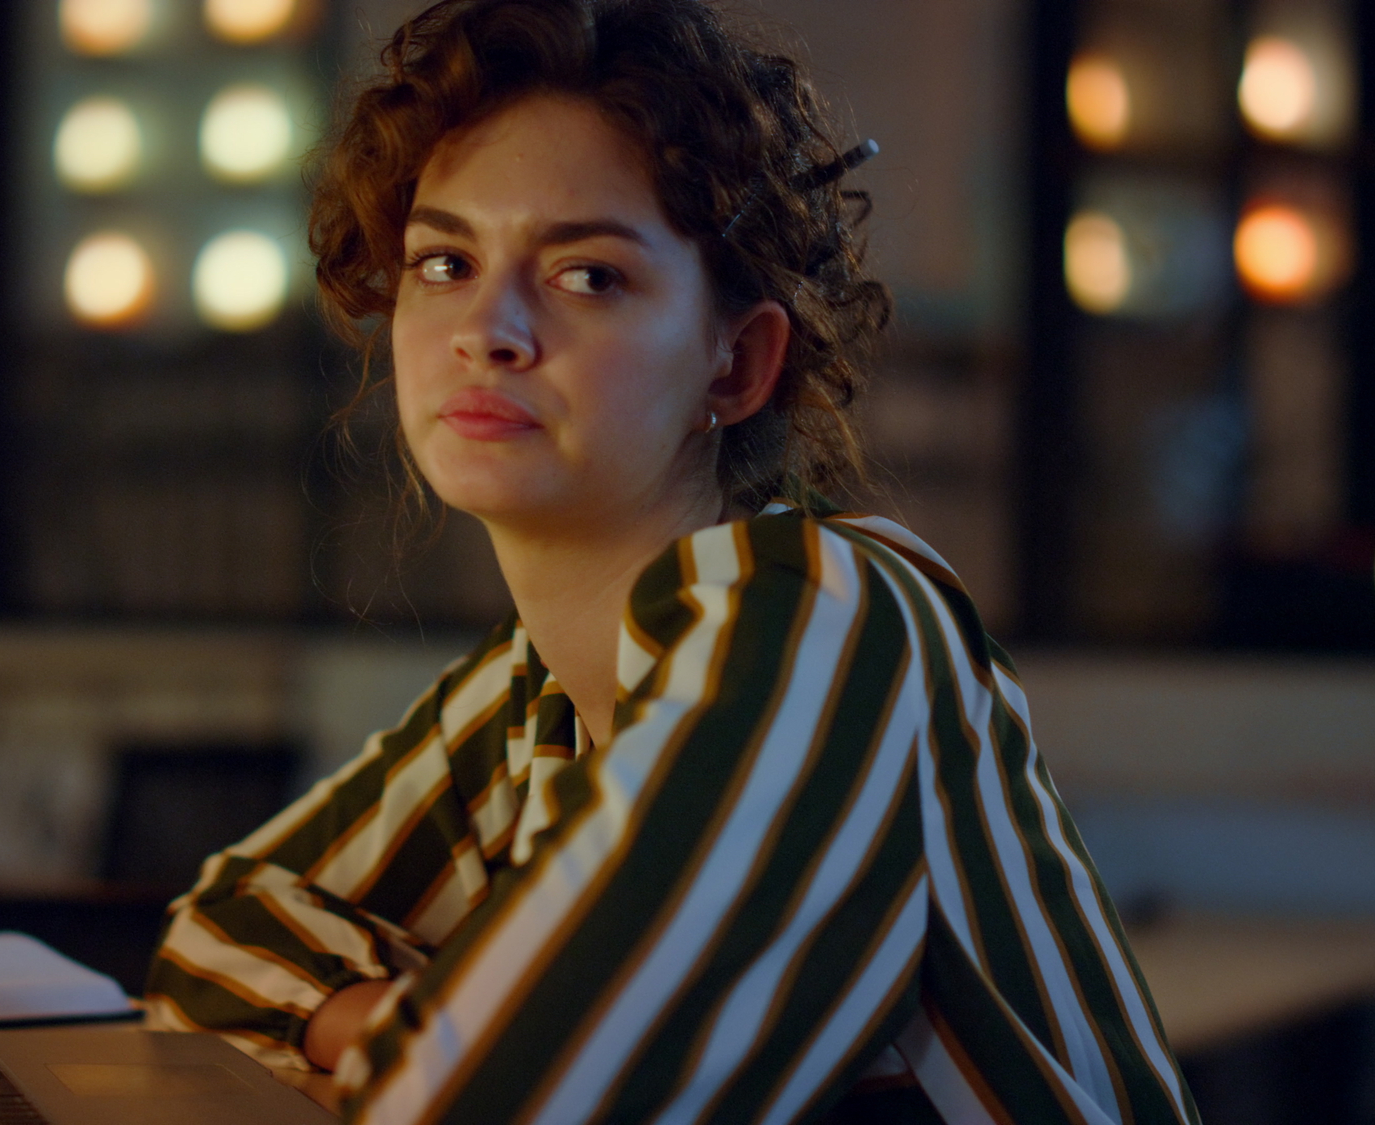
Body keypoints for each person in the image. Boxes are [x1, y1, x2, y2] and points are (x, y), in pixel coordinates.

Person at [145, 0, 1200, 1121]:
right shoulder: (527, 698)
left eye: (587, 276)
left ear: (734, 365)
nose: (485, 329)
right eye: (443, 261)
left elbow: (505, 1097)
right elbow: (214, 938)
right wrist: (420, 1019)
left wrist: (428, 1025)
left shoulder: (825, 619)